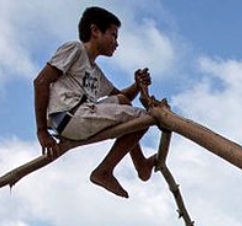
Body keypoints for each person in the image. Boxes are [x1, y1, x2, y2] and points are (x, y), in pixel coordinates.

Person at [33, 6, 156, 198]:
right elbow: (41, 82)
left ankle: (140, 164)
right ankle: (104, 171)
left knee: (125, 104)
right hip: (70, 115)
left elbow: (122, 99)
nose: (116, 43)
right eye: (113, 35)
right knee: (144, 118)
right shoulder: (75, 49)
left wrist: (137, 85)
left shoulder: (95, 72)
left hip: (82, 115)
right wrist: (42, 131)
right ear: (95, 31)